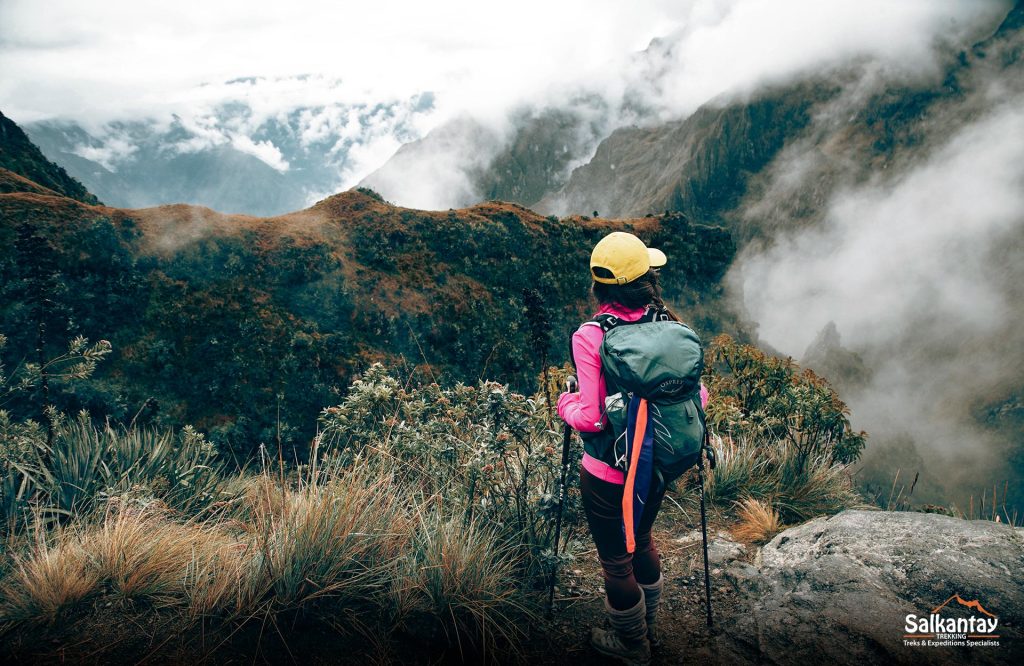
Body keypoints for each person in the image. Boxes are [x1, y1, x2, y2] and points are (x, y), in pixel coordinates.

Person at [557, 231, 708, 665]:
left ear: (598, 286)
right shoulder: (671, 326)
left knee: (615, 562)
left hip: (609, 470)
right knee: (640, 538)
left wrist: (564, 401)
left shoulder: (590, 336)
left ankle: (633, 646)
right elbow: (697, 397)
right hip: (661, 460)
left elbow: (592, 417)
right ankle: (650, 625)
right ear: (646, 278)